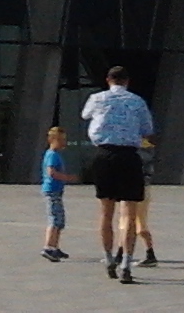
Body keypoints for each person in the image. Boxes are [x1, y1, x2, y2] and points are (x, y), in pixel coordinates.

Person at [81, 65, 155, 283]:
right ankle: (126, 264)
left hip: (104, 154)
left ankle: (108, 258)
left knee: (106, 212)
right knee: (130, 213)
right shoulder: (137, 101)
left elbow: (85, 115)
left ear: (108, 80)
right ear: (127, 81)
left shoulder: (97, 98)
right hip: (129, 156)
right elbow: (148, 130)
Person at [39, 125, 71, 260]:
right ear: (52, 140)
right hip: (52, 191)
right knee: (54, 219)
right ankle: (48, 247)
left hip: (57, 191)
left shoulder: (55, 154)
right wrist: (67, 178)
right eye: (60, 140)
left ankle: (55, 247)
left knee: (60, 220)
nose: (64, 143)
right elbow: (51, 172)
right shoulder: (52, 155)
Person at [133, 136, 159, 267]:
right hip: (140, 187)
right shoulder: (145, 147)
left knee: (138, 224)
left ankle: (150, 254)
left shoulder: (140, 149)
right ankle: (121, 253)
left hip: (138, 188)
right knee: (130, 222)